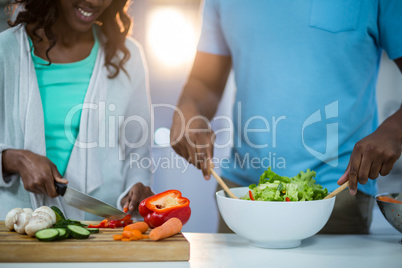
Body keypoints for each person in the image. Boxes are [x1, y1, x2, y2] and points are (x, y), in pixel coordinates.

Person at [170, 0, 402, 234]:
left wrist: (394, 130)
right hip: (241, 197)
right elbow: (204, 83)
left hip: (336, 197)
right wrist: (188, 111)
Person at [0, 0, 154, 220]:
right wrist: (14, 159)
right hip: (16, 229)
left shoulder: (128, 57)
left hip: (101, 228)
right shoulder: (5, 51)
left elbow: (138, 152)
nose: (96, 1)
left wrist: (136, 188)